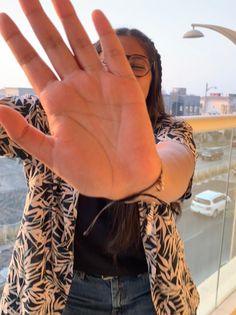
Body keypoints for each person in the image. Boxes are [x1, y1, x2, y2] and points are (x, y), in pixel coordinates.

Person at [0, 0, 200, 314]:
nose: (119, 73)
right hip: (62, 291)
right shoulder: (48, 117)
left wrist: (149, 176)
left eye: (135, 64)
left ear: (154, 78)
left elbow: (177, 163)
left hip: (149, 291)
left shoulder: (170, 129)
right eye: (104, 61)